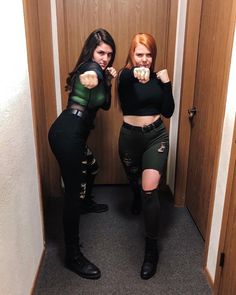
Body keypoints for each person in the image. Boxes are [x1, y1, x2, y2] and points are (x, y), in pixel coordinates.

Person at [48, 28, 117, 279]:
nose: (104, 58)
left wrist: (109, 80)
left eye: (109, 54)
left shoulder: (100, 71)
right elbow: (90, 76)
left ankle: (86, 202)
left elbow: (106, 104)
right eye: (100, 52)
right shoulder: (89, 69)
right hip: (67, 136)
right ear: (91, 51)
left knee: (93, 166)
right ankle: (72, 255)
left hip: (71, 133)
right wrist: (96, 76)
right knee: (72, 196)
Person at [117, 33, 174, 280]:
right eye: (139, 54)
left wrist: (167, 84)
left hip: (156, 137)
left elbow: (168, 111)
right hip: (129, 138)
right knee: (135, 182)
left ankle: (151, 250)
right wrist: (135, 72)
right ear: (131, 55)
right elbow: (128, 76)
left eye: (149, 54)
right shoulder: (124, 76)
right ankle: (136, 196)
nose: (145, 60)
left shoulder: (158, 79)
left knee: (149, 189)